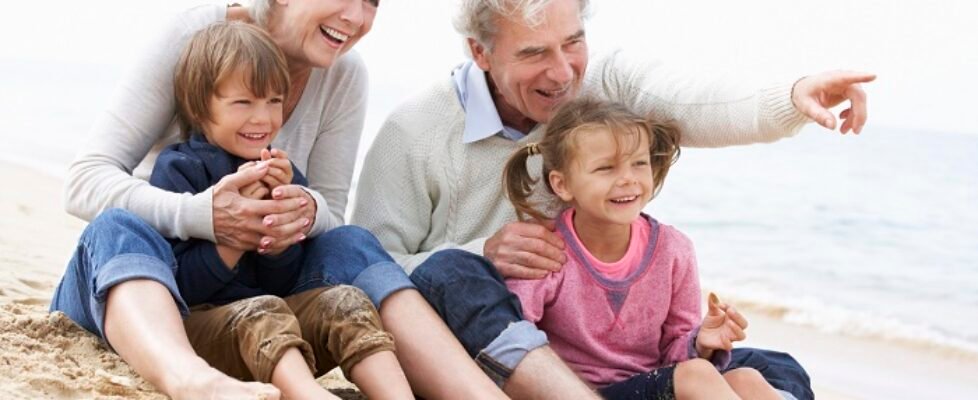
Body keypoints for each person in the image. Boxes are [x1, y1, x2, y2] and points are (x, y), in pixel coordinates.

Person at [351, 0, 874, 398]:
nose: (562, 73)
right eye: (534, 53)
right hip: (498, 341)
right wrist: (480, 252)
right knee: (453, 270)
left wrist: (792, 98)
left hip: (622, 367)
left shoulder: (601, 85)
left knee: (775, 370)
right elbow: (368, 270)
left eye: (573, 43)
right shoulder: (414, 131)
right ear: (480, 52)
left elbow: (692, 100)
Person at [51, 1, 508, 399]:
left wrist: (299, 216)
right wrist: (210, 217)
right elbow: (84, 181)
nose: (357, 16)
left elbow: (326, 215)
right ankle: (190, 381)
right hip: (140, 294)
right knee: (117, 226)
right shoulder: (193, 41)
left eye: (372, 1)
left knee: (349, 240)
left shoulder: (344, 74)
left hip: (254, 305)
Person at [142, 21, 414, 400]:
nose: (263, 118)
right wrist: (237, 237)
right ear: (201, 108)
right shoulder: (180, 169)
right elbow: (179, 286)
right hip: (204, 329)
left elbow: (282, 281)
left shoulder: (281, 174)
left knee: (346, 300)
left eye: (274, 101)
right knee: (263, 310)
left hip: (276, 336)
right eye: (244, 102)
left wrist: (278, 241)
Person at [502, 97, 782, 399]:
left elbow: (675, 356)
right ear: (562, 184)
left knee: (748, 379)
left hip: (651, 386)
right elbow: (517, 344)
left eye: (639, 163)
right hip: (576, 393)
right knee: (699, 375)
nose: (628, 179)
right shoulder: (544, 250)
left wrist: (701, 342)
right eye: (606, 168)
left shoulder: (673, 250)